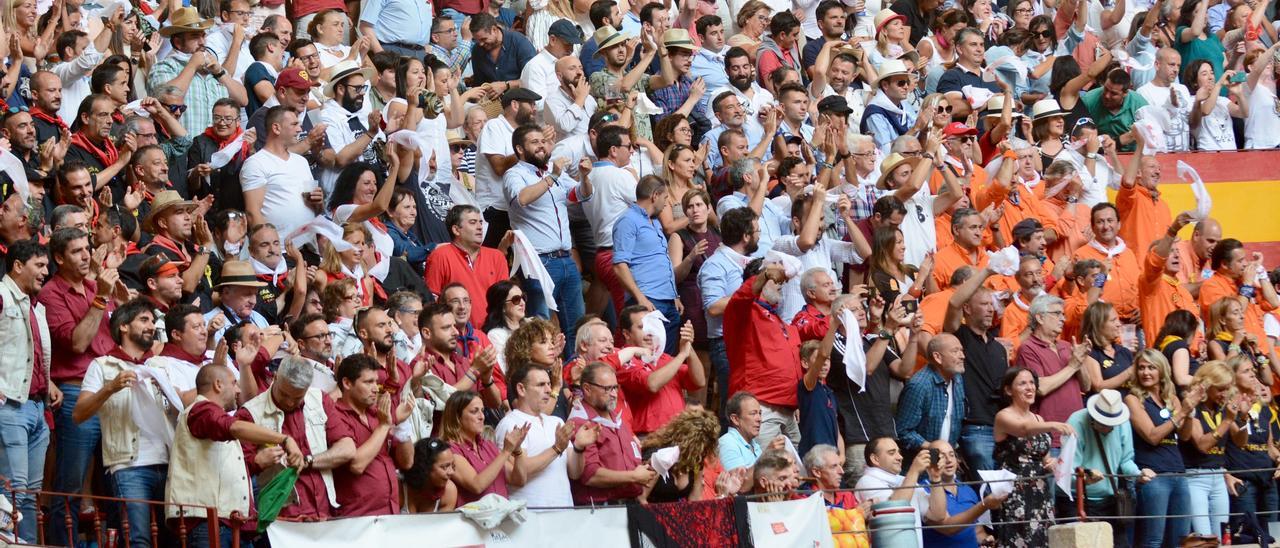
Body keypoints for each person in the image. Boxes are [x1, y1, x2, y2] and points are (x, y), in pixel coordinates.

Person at [37, 228, 124, 547]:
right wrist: (102, 298)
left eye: (88, 248)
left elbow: (115, 337)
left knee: (117, 481)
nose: (87, 255)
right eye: (77, 251)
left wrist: (118, 301)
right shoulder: (51, 294)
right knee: (71, 483)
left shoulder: (94, 285)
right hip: (75, 390)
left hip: (112, 388)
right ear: (59, 258)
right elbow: (77, 343)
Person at [166, 363, 304, 547]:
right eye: (234, 383)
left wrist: (257, 463)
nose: (238, 389)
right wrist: (285, 439)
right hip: (207, 523)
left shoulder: (215, 417)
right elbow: (235, 427)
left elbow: (225, 468)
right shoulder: (201, 410)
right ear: (218, 384)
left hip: (228, 521)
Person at [70, 298, 168, 548]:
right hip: (129, 465)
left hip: (169, 463)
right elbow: (79, 413)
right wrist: (110, 388)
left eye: (153, 321)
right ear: (123, 326)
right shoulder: (102, 365)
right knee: (138, 540)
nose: (152, 326)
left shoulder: (160, 365)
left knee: (172, 541)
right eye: (144, 320)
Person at [504, 123, 591, 351]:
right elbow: (522, 199)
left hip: (566, 259)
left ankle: (575, 378)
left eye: (543, 141)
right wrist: (553, 175)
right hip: (538, 262)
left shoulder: (554, 173)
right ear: (520, 149)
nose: (541, 146)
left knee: (577, 327)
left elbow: (580, 195)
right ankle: (539, 379)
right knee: (539, 326)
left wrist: (585, 177)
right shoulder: (514, 174)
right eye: (535, 142)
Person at [0, 239, 52, 544]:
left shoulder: (36, 306)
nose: (45, 272)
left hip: (35, 407)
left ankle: (28, 545)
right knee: (14, 491)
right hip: (10, 406)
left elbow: (30, 354)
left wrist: (49, 383)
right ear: (18, 266)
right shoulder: (2, 295)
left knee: (30, 495)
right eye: (40, 265)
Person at [724, 261, 802, 447]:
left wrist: (794, 401)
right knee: (764, 470)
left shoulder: (778, 319)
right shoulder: (744, 312)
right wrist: (766, 273)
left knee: (792, 473)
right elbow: (742, 297)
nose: (780, 284)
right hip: (760, 407)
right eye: (776, 280)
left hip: (788, 410)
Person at [993, 367, 1073, 547]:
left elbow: (1044, 457)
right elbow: (1023, 429)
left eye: (1031, 383)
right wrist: (1054, 425)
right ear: (1008, 390)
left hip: (1040, 489)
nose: (1030, 387)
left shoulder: (1038, 419)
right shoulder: (1002, 416)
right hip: (1016, 490)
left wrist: (1051, 462)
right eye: (1022, 383)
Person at [1123, 351, 1196, 547]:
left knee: (1181, 540)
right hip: (1154, 475)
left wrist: (1188, 414)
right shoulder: (1133, 399)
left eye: (1151, 367)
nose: (1146, 372)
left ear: (1162, 370)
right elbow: (1152, 436)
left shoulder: (1171, 398)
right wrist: (1181, 413)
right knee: (1153, 540)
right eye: (1141, 367)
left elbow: (1186, 436)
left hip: (1178, 473)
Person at [326, 354, 413, 517]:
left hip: (390, 512)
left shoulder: (376, 415)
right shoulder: (335, 414)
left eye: (377, 382)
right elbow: (357, 464)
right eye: (368, 382)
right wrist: (385, 425)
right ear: (346, 383)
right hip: (356, 519)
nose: (375, 388)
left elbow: (407, 462)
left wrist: (402, 426)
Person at [495, 362, 588, 507]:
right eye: (540, 385)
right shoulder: (510, 424)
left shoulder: (556, 422)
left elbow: (574, 473)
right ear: (521, 389)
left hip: (565, 511)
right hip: (529, 515)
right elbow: (520, 471)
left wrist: (579, 447)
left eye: (549, 384)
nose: (548, 390)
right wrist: (556, 449)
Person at [147, 7, 249, 136]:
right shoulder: (164, 67)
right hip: (182, 150)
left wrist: (219, 72)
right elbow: (168, 99)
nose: (202, 42)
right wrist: (193, 65)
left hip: (215, 150)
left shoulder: (213, 68)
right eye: (195, 37)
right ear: (178, 42)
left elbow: (243, 100)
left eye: (203, 35)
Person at [607, 306, 703, 435]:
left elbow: (699, 381)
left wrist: (688, 348)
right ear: (626, 334)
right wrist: (681, 355)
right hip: (648, 436)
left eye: (652, 325)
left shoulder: (666, 358)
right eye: (642, 327)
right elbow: (652, 384)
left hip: (678, 433)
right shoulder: (622, 358)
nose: (650, 332)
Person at [568, 361, 654, 504]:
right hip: (601, 511)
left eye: (615, 387)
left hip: (628, 505)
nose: (614, 394)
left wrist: (647, 468)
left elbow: (630, 464)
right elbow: (591, 476)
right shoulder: (581, 422)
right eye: (607, 389)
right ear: (587, 389)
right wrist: (634, 476)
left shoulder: (617, 419)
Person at [1014, 294, 1091, 450]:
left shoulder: (1066, 345)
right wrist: (1073, 366)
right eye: (1056, 314)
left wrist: (1080, 361)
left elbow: (1087, 386)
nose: (1063, 319)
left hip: (1078, 433)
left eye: (1063, 314)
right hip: (1050, 436)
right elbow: (1040, 387)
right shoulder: (1028, 348)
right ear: (1040, 318)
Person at [613, 176, 681, 351]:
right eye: (665, 198)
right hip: (647, 299)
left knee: (668, 359)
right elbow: (620, 265)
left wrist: (674, 296)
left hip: (667, 299)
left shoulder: (655, 222)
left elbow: (659, 260)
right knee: (649, 357)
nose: (666, 204)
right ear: (655, 195)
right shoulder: (627, 221)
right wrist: (640, 297)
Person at [1179, 360, 1243, 538]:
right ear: (1206, 386)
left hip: (1219, 476)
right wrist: (1227, 421)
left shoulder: (1222, 409)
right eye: (1220, 389)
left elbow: (1240, 441)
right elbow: (1202, 445)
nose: (1224, 394)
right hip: (1196, 477)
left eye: (1227, 388)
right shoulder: (1194, 407)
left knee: (1222, 536)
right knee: (1204, 536)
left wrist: (1243, 419)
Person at [425, 205, 511, 327]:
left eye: (480, 222)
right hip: (455, 333)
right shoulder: (440, 255)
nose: (480, 227)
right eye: (473, 222)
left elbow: (505, 300)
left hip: (492, 333)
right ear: (456, 230)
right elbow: (432, 301)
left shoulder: (497, 257)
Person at [241, 106, 318, 240]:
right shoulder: (256, 163)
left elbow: (314, 207)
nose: (300, 129)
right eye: (294, 124)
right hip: (280, 251)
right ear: (276, 128)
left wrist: (319, 201)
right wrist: (271, 248)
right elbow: (253, 213)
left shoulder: (302, 161)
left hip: (309, 247)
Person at [638, 408, 720, 503]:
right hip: (651, 510)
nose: (701, 454)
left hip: (676, 513)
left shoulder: (696, 459)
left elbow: (695, 499)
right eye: (698, 448)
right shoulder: (660, 455)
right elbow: (641, 498)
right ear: (688, 443)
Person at [469, 13, 537, 88]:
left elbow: (534, 78)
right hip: (491, 98)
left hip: (521, 96)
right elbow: (478, 83)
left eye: (484, 39)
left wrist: (506, 85)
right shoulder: (477, 50)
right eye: (477, 40)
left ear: (494, 30)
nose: (481, 44)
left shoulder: (519, 42)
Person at [1081, 301, 1136, 394]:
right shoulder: (1090, 353)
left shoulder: (1124, 351)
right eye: (1113, 320)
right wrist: (1130, 372)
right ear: (1099, 325)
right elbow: (1098, 386)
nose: (1119, 324)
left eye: (1118, 320)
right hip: (1105, 406)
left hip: (1128, 405)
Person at [404, 437, 460, 512]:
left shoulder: (449, 491)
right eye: (445, 467)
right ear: (424, 467)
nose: (451, 472)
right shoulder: (400, 489)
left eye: (452, 465)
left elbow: (441, 524)